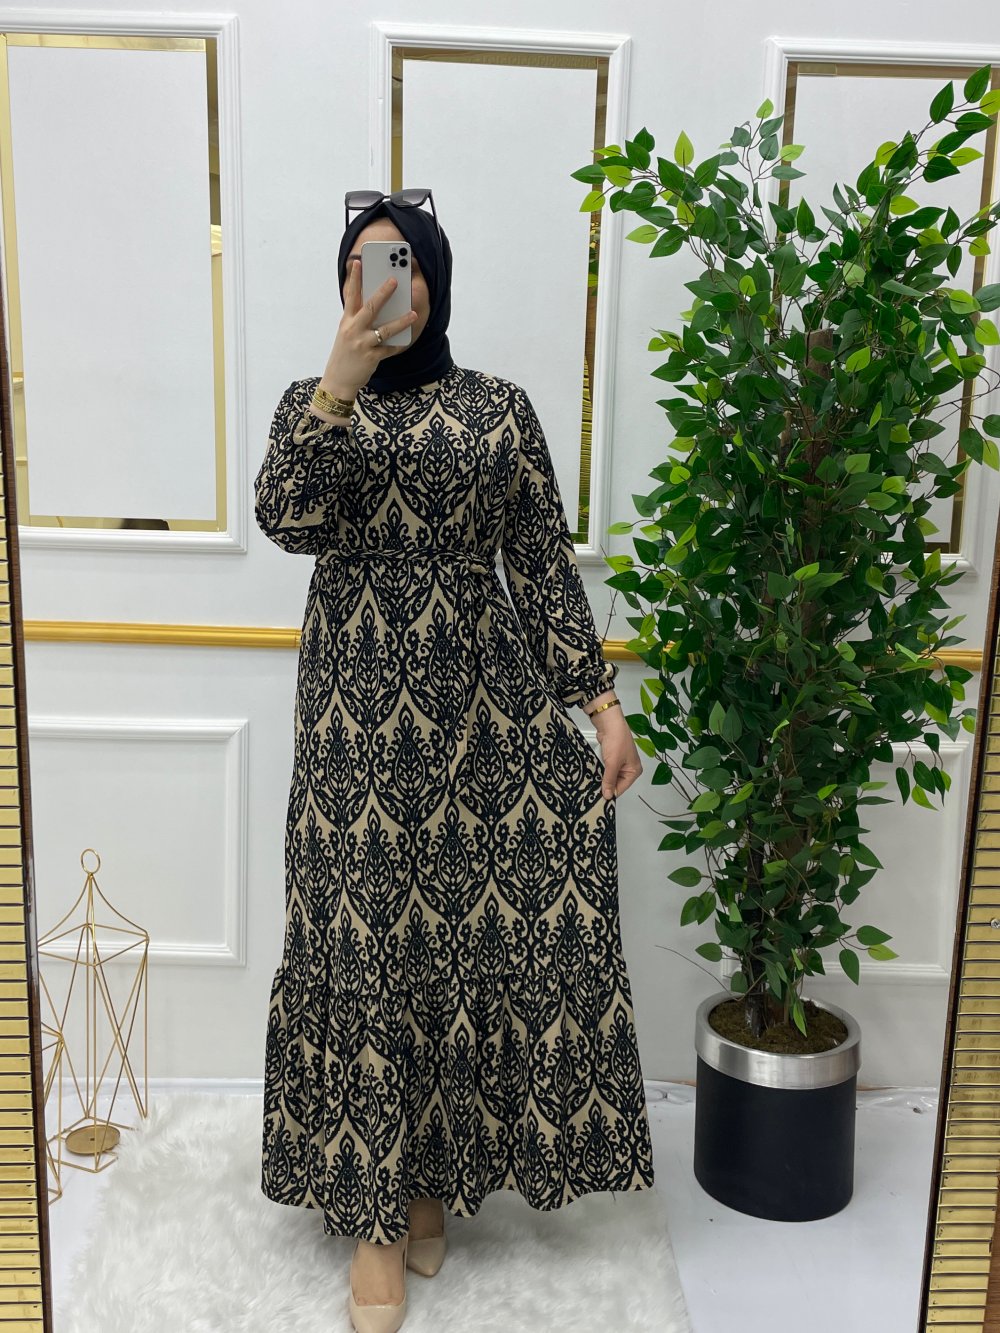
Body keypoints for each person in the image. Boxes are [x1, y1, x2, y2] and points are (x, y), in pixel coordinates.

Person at [255, 193, 655, 1333]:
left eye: (406, 264)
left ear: (434, 276)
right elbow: (283, 517)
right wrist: (337, 385)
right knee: (365, 941)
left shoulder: (499, 408)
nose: (388, 283)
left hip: (482, 706)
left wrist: (600, 704)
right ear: (345, 286)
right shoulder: (310, 404)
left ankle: (429, 1179)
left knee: (453, 941)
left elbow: (539, 557)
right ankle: (376, 1221)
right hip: (354, 715)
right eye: (365, 266)